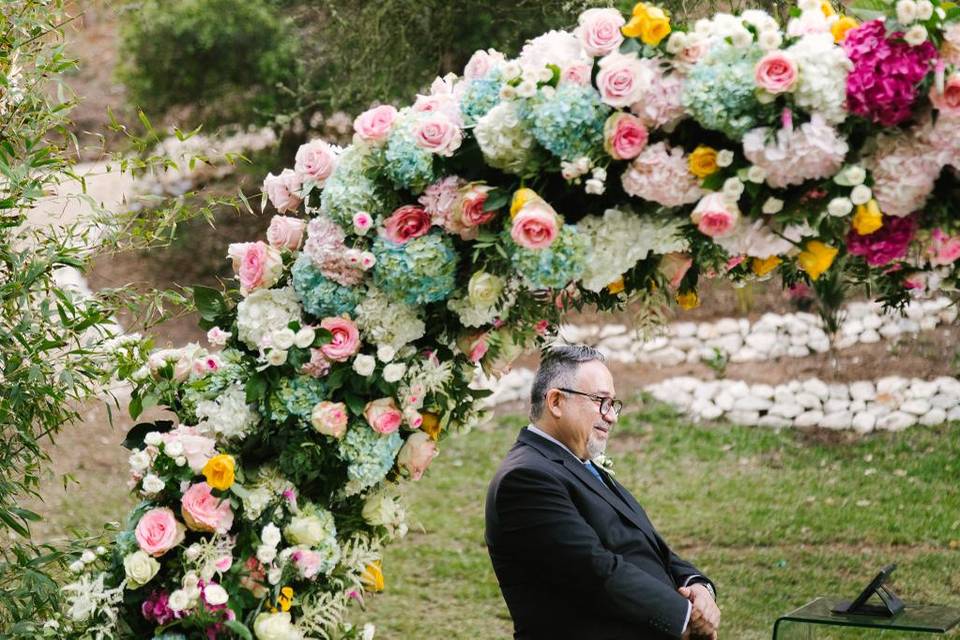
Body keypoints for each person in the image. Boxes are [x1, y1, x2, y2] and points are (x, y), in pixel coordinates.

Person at [485, 344, 720, 639]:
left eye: (612, 404)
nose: (612, 417)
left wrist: (698, 586)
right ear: (556, 401)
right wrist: (685, 617)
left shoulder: (578, 463)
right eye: (600, 401)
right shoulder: (525, 479)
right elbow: (594, 571)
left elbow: (648, 548)